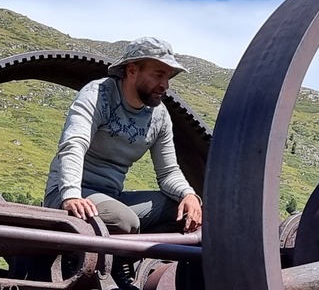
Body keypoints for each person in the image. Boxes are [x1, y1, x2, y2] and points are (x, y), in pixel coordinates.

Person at [45, 37, 203, 237]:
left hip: (112, 197)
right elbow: (74, 144)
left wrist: (188, 195)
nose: (165, 85)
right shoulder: (99, 95)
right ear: (132, 71)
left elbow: (168, 172)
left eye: (168, 77)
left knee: (184, 212)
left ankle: (137, 264)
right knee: (123, 220)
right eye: (158, 75)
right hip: (67, 194)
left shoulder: (159, 116)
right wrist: (71, 196)